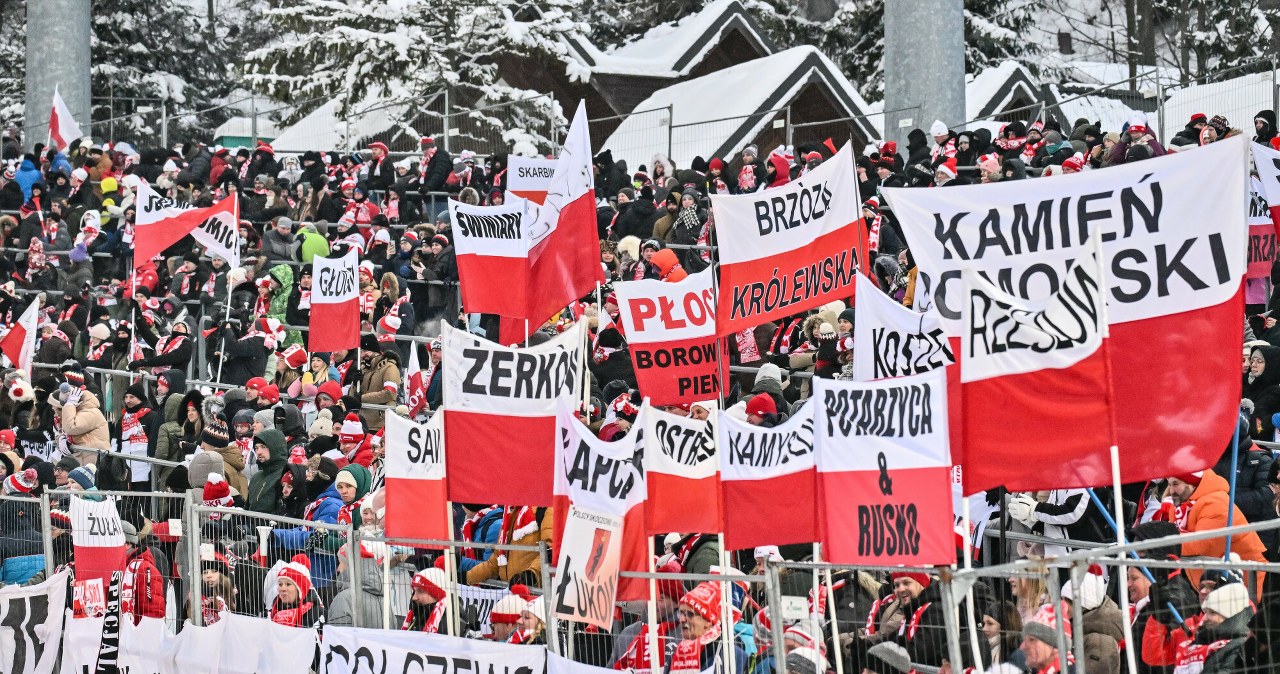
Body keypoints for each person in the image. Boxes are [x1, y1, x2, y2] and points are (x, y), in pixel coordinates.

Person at [120, 521, 166, 625]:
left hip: (137, 635)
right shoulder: (117, 566)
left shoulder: (144, 569)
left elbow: (153, 612)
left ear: (127, 544)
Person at [270, 554, 325, 627]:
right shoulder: (276, 605)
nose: (282, 589)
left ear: (300, 589)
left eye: (288, 584)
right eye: (280, 584)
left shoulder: (316, 613)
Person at [403, 567, 454, 634]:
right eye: (414, 591)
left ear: (437, 595)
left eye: (420, 591)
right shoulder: (417, 615)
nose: (414, 598)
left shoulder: (449, 626)